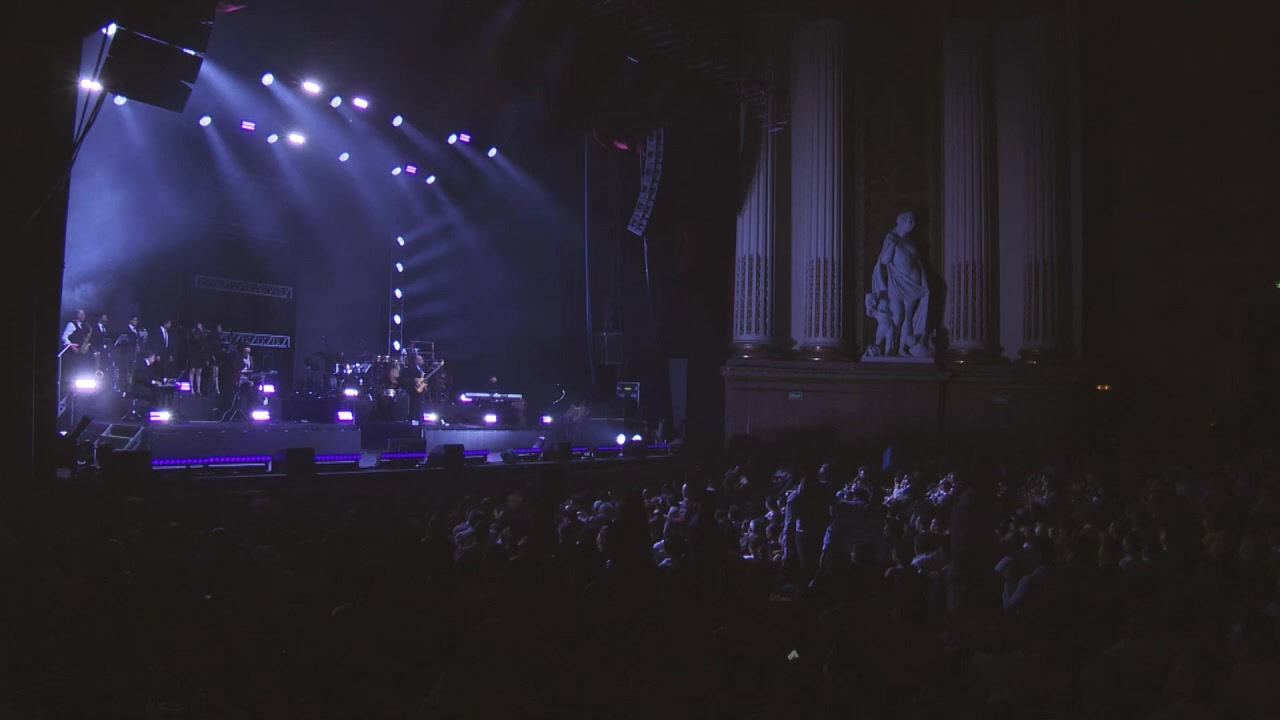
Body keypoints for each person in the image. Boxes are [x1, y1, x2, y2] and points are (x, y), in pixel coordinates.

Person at [872, 211, 932, 356]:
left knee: (908, 316)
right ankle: (890, 347)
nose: (913, 224)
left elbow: (918, 263)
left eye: (913, 221)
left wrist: (924, 281)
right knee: (898, 316)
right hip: (897, 282)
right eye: (911, 221)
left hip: (913, 284)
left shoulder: (911, 241)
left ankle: (902, 349)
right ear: (902, 222)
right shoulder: (891, 237)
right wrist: (893, 244)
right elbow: (885, 260)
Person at [402, 352, 426, 422]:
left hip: (420, 389)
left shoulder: (421, 369)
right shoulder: (410, 368)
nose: (422, 361)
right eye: (421, 360)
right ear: (417, 360)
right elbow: (406, 378)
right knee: (413, 404)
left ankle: (419, 417)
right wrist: (414, 380)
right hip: (413, 389)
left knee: (419, 404)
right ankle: (412, 418)